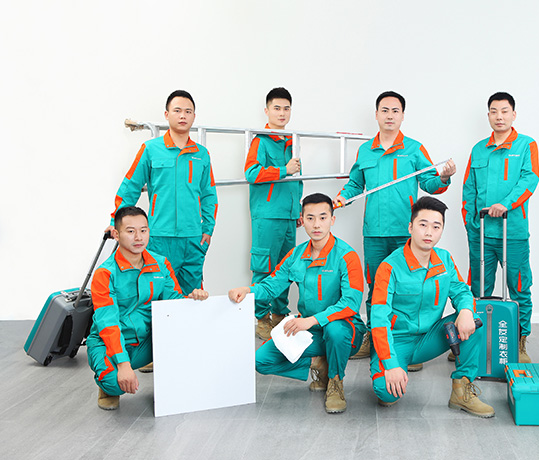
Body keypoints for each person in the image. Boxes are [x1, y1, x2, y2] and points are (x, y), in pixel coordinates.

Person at [335, 91, 457, 361]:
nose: (390, 115)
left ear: (402, 115)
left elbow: (430, 183)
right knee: (375, 286)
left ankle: (408, 344)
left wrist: (444, 178)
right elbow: (355, 184)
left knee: (408, 288)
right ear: (376, 114)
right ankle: (374, 339)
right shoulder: (365, 150)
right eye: (385, 110)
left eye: (395, 111)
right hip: (374, 233)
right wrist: (343, 196)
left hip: (406, 233)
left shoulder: (414, 149)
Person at [228, 193, 365, 414]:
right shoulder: (296, 255)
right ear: (302, 219)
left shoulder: (346, 256)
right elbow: (272, 286)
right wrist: (248, 290)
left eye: (322, 217)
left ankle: (335, 382)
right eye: (310, 218)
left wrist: (312, 320)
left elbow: (351, 303)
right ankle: (319, 363)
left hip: (345, 331)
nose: (316, 224)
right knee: (261, 360)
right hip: (310, 331)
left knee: (335, 330)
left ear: (332, 219)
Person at [369, 197, 494, 418]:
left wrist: (466, 310)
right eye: (423, 225)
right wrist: (390, 364)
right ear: (410, 227)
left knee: (473, 319)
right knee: (386, 394)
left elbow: (461, 291)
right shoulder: (389, 267)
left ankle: (462, 389)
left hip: (430, 338)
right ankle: (398, 366)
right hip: (397, 340)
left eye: (436, 227)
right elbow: (379, 318)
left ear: (441, 230)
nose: (429, 232)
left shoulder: (444, 259)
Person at [89, 206, 209, 410]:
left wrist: (192, 298)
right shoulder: (105, 274)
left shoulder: (161, 264)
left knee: (189, 338)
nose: (138, 237)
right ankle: (107, 387)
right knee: (114, 383)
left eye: (143, 230)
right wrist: (123, 364)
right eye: (130, 231)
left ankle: (162, 373)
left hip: (147, 340)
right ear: (116, 234)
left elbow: (174, 304)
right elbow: (108, 324)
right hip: (110, 342)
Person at [106, 90, 218, 295]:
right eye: (177, 110)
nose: (183, 116)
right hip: (159, 237)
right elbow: (130, 187)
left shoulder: (202, 154)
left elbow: (209, 195)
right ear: (167, 114)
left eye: (188, 111)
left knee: (193, 296)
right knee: (158, 293)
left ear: (194, 116)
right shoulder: (150, 149)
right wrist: (116, 221)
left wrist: (207, 228)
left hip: (193, 238)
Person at [462, 92, 539, 363]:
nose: (499, 116)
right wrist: (471, 225)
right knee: (478, 287)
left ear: (513, 114)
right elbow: (469, 188)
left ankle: (519, 340)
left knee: (519, 287)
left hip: (512, 232)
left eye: (505, 111)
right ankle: (474, 339)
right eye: (494, 111)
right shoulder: (478, 149)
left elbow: (530, 179)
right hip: (482, 233)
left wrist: (505, 204)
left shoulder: (526, 145)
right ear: (488, 116)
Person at [244, 87, 303, 341]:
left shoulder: (292, 141)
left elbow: (298, 179)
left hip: (289, 217)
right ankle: (261, 318)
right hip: (267, 216)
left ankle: (279, 314)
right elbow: (251, 173)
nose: (282, 113)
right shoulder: (261, 141)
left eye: (286, 108)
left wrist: (297, 209)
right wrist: (283, 169)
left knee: (286, 268)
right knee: (264, 267)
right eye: (277, 108)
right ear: (266, 111)